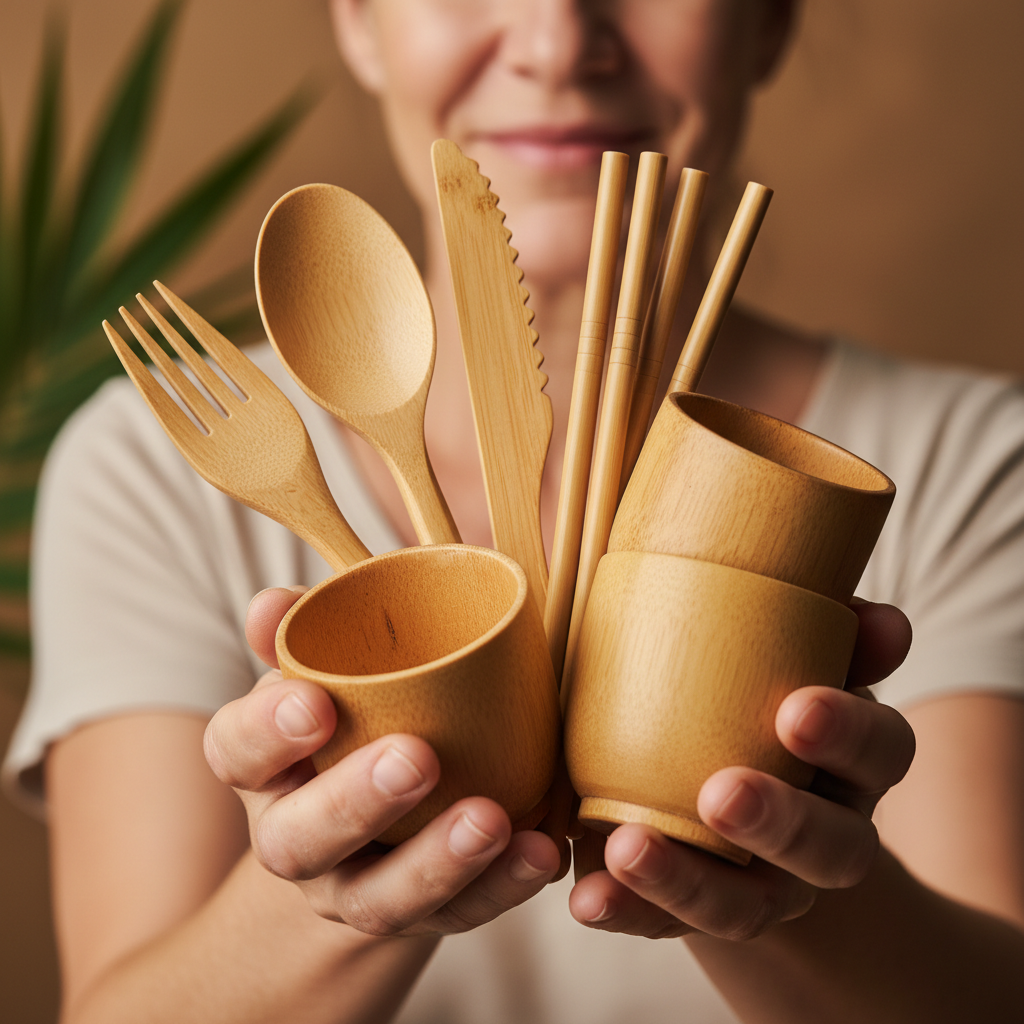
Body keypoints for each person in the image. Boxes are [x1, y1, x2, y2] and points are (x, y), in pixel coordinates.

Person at [4, 1, 1023, 1021]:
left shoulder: (973, 463)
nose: (556, 44)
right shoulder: (148, 469)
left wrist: (788, 884)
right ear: (357, 20)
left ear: (766, 21)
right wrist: (320, 904)